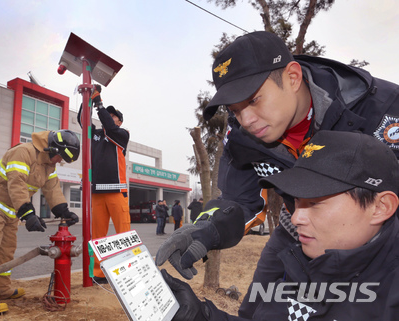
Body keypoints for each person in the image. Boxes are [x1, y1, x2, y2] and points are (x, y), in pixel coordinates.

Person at [155, 30, 399, 316]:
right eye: (235, 109)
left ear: (292, 78)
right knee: (259, 311)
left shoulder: (384, 111)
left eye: (254, 100)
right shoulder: (242, 135)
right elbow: (239, 200)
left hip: (380, 240)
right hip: (295, 231)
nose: (246, 119)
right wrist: (204, 230)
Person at [162, 130, 399, 320]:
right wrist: (201, 315)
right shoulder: (297, 261)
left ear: (381, 207)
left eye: (315, 203)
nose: (296, 218)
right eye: (296, 201)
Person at [0, 130, 80, 315]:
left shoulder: (48, 165)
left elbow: (52, 188)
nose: (59, 161)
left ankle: (2, 289)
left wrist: (63, 211)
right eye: (60, 157)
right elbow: (17, 183)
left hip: (10, 210)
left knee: (7, 250)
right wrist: (28, 214)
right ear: (53, 148)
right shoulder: (23, 152)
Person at [82, 86, 131, 285]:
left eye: (113, 116)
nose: (109, 117)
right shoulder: (94, 135)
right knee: (97, 237)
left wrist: (99, 103)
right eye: (107, 115)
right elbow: (83, 122)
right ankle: (98, 274)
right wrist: (86, 99)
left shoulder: (121, 134)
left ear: (119, 121)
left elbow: (109, 128)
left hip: (117, 191)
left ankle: (127, 272)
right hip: (97, 192)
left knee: (123, 234)